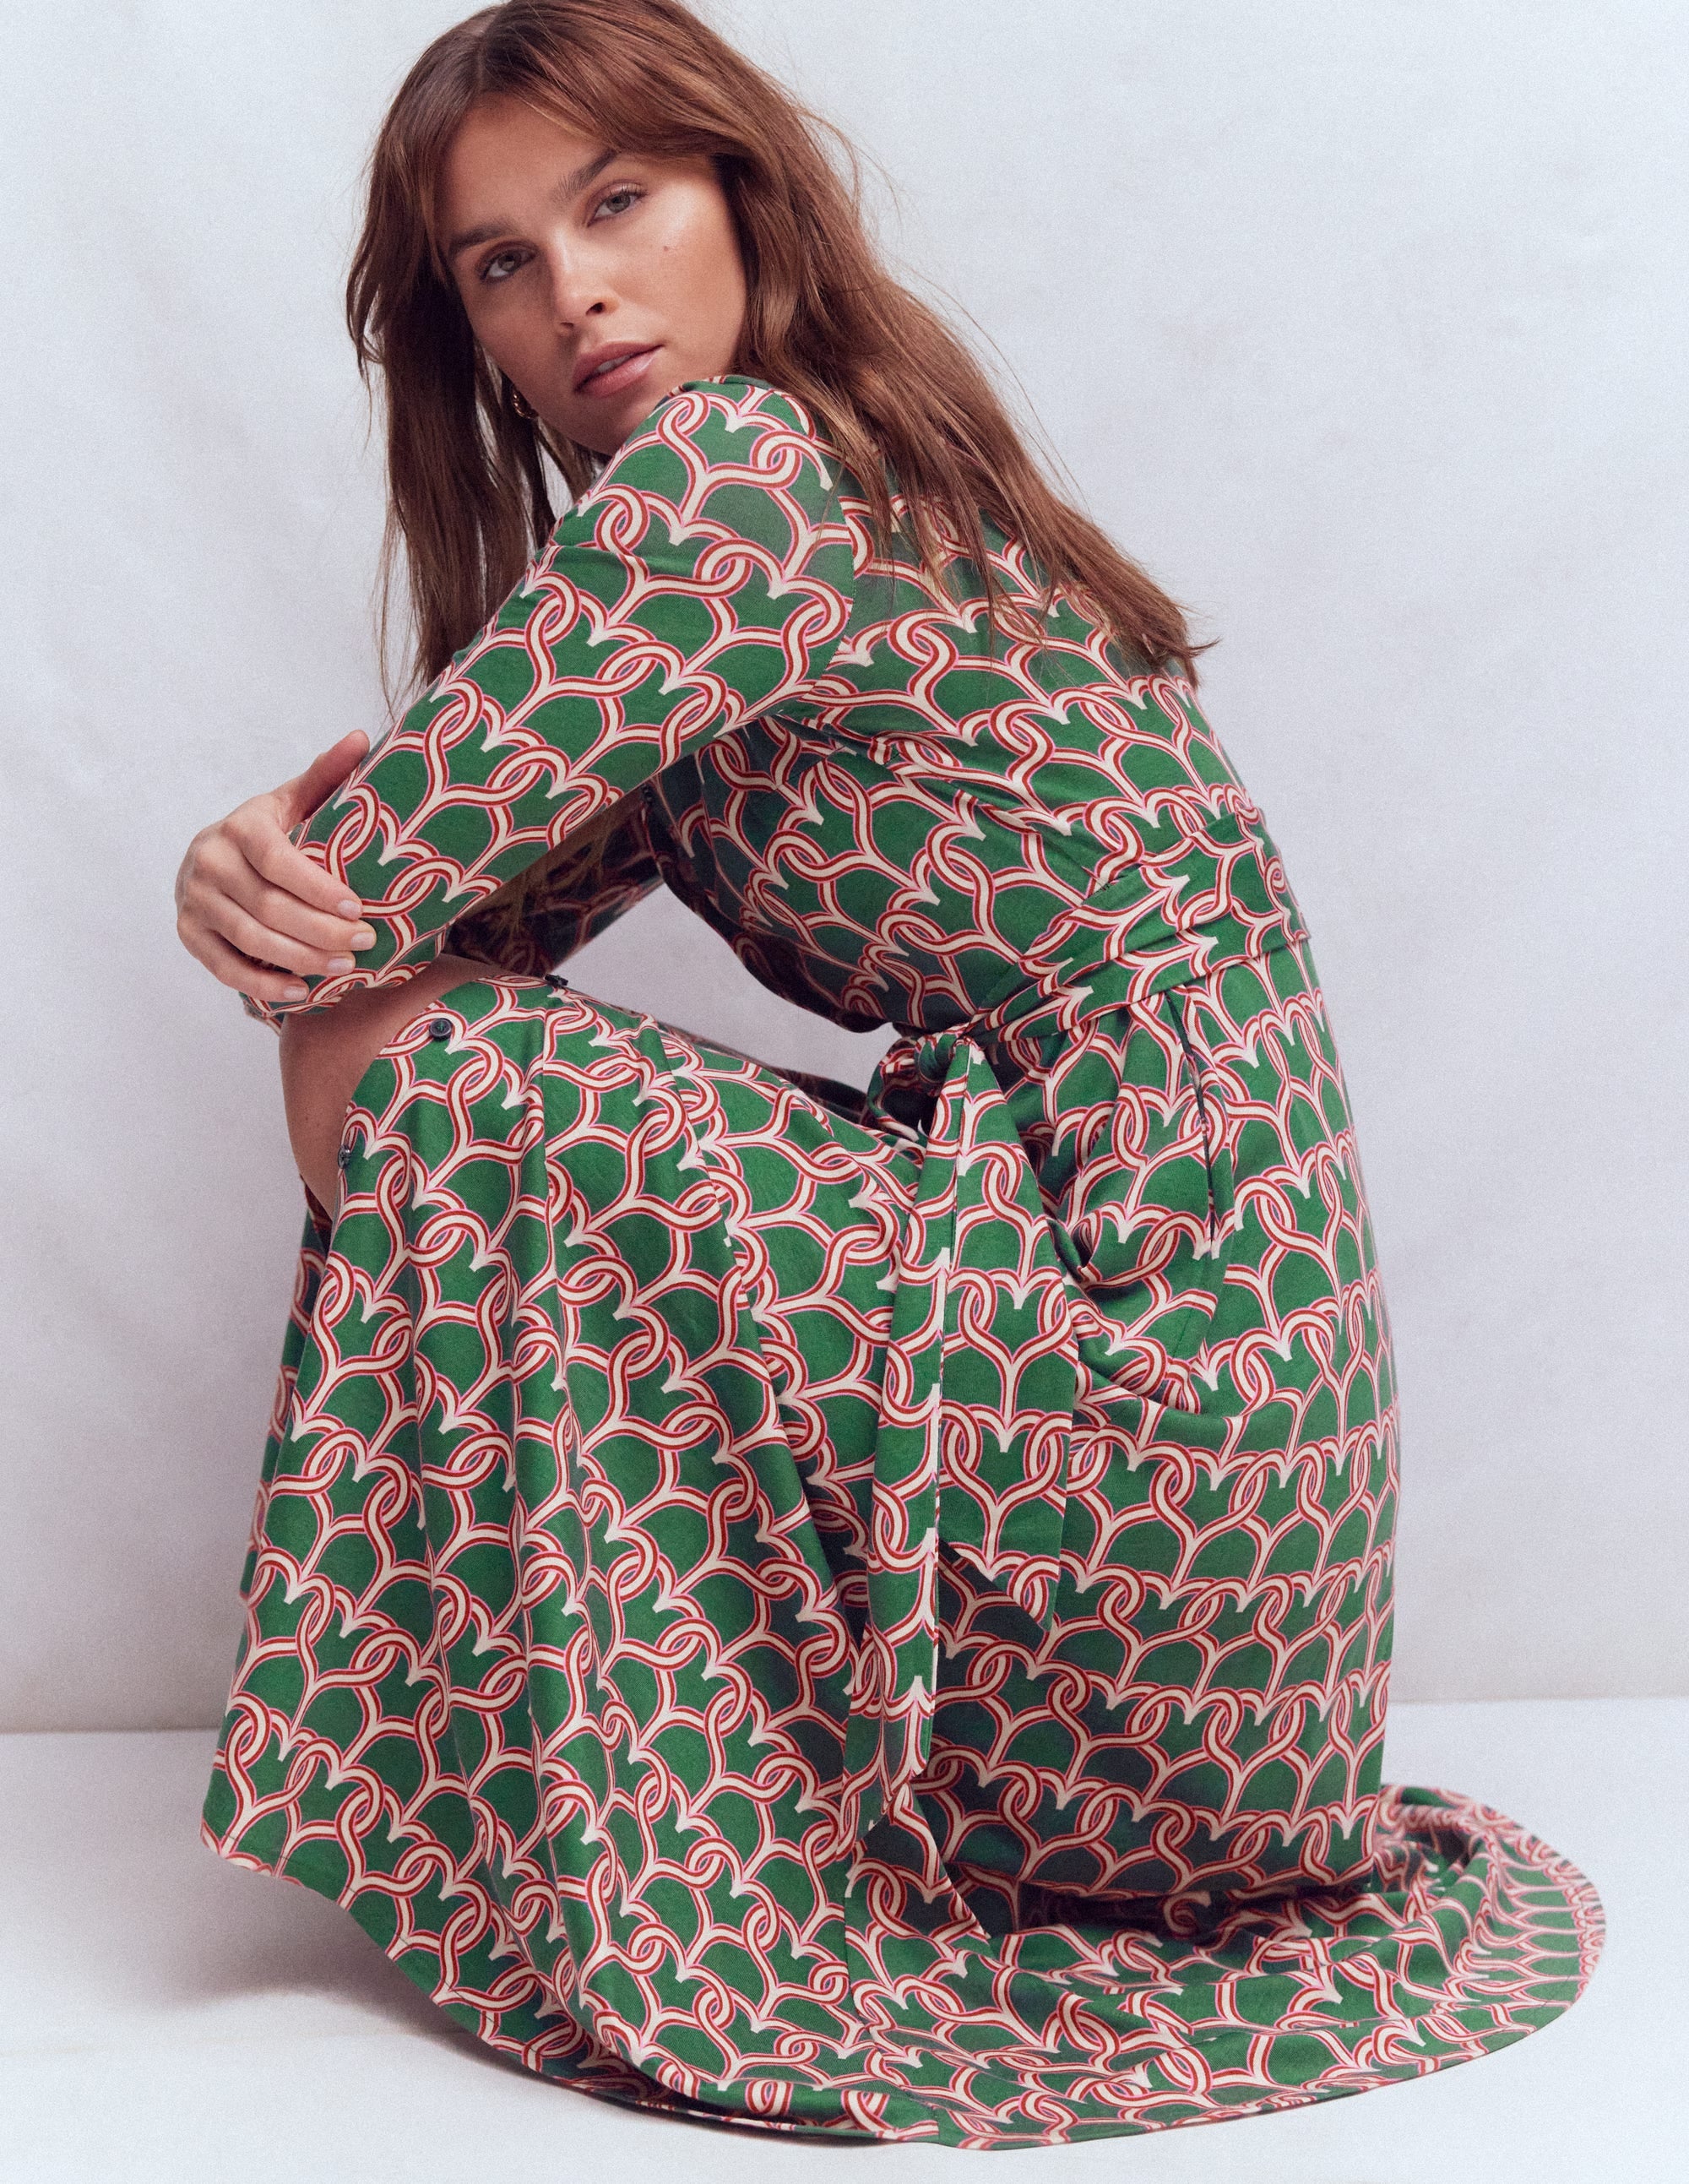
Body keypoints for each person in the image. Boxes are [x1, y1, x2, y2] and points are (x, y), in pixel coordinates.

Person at [173, 0, 1599, 2148]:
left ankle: (604, 1785)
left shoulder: (745, 483)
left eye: (616, 200)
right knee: (413, 1042)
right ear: (464, 327)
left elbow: (362, 926)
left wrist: (247, 879)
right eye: (496, 260)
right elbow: (436, 906)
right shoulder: (797, 532)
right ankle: (683, 1769)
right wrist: (292, 886)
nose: (571, 286)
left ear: (740, 194)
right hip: (1246, 1560)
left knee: (424, 1080)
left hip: (1146, 1396)